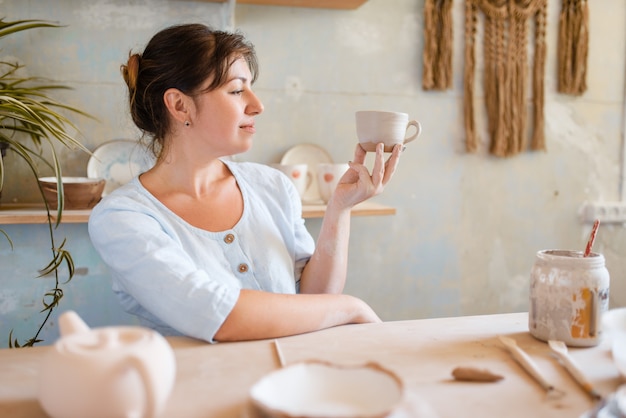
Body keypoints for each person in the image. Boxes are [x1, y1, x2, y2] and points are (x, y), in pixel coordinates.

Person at [88, 23, 403, 343]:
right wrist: (350, 308)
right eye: (237, 90)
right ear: (180, 105)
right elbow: (215, 314)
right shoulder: (121, 218)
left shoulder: (272, 186)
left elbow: (313, 298)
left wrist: (340, 208)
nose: (257, 105)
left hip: (292, 382)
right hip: (199, 388)